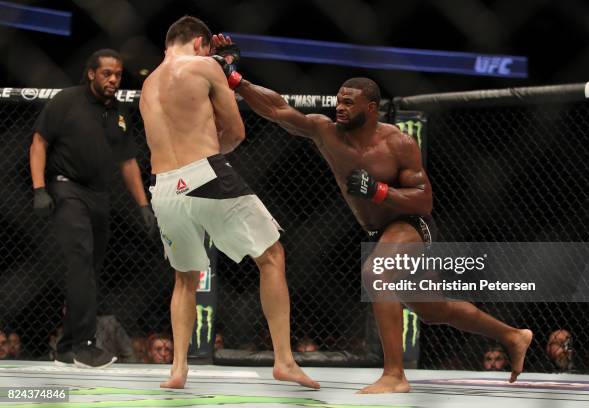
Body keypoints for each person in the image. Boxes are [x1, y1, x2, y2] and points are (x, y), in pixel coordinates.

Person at [217, 36, 533, 393]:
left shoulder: (397, 143)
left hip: (411, 225)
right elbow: (277, 110)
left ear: (370, 108)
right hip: (377, 231)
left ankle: (395, 375)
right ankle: (513, 335)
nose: (339, 108)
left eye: (348, 103)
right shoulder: (325, 131)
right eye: (338, 100)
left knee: (377, 272)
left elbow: (424, 200)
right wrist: (236, 80)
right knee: (434, 309)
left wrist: (380, 191)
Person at [138, 16, 318, 390]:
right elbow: (236, 132)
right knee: (271, 255)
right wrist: (225, 68)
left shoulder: (147, 83)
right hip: (204, 174)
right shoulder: (205, 65)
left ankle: (178, 369)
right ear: (202, 43)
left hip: (163, 187)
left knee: (184, 279)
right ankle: (284, 359)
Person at [29, 48, 157, 369]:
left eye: (117, 75)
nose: (113, 80)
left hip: (100, 196)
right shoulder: (66, 101)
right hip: (66, 187)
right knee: (81, 261)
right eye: (107, 74)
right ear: (91, 73)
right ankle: (85, 345)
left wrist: (143, 205)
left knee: (89, 272)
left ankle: (67, 347)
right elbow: (38, 143)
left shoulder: (119, 112)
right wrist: (39, 189)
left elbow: (128, 162)